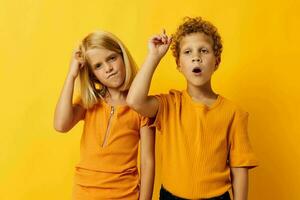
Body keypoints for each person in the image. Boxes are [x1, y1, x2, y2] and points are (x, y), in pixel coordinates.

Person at [127, 17, 258, 200]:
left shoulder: (234, 112)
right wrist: (154, 56)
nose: (196, 57)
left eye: (204, 51)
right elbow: (134, 101)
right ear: (179, 65)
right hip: (171, 197)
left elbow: (240, 169)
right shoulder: (169, 104)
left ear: (217, 61)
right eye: (188, 52)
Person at [54, 30, 155, 200]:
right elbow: (60, 125)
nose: (108, 68)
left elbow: (147, 162)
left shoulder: (141, 107)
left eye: (112, 58)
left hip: (124, 195)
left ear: (123, 57)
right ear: (93, 75)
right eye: (98, 66)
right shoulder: (89, 101)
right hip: (83, 193)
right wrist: (71, 76)